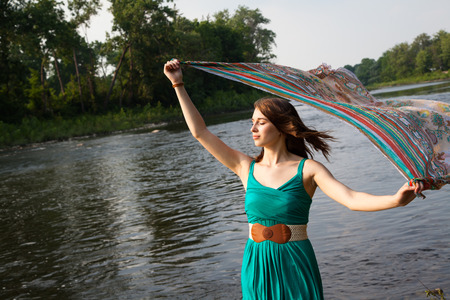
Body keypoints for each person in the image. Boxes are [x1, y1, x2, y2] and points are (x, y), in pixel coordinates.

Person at [163, 59, 423, 299]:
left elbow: (352, 199)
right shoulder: (244, 167)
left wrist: (395, 200)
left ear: (281, 127)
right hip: (256, 262)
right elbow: (200, 132)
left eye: (260, 122)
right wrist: (178, 84)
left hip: (295, 260)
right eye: (252, 122)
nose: (252, 128)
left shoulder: (309, 169)